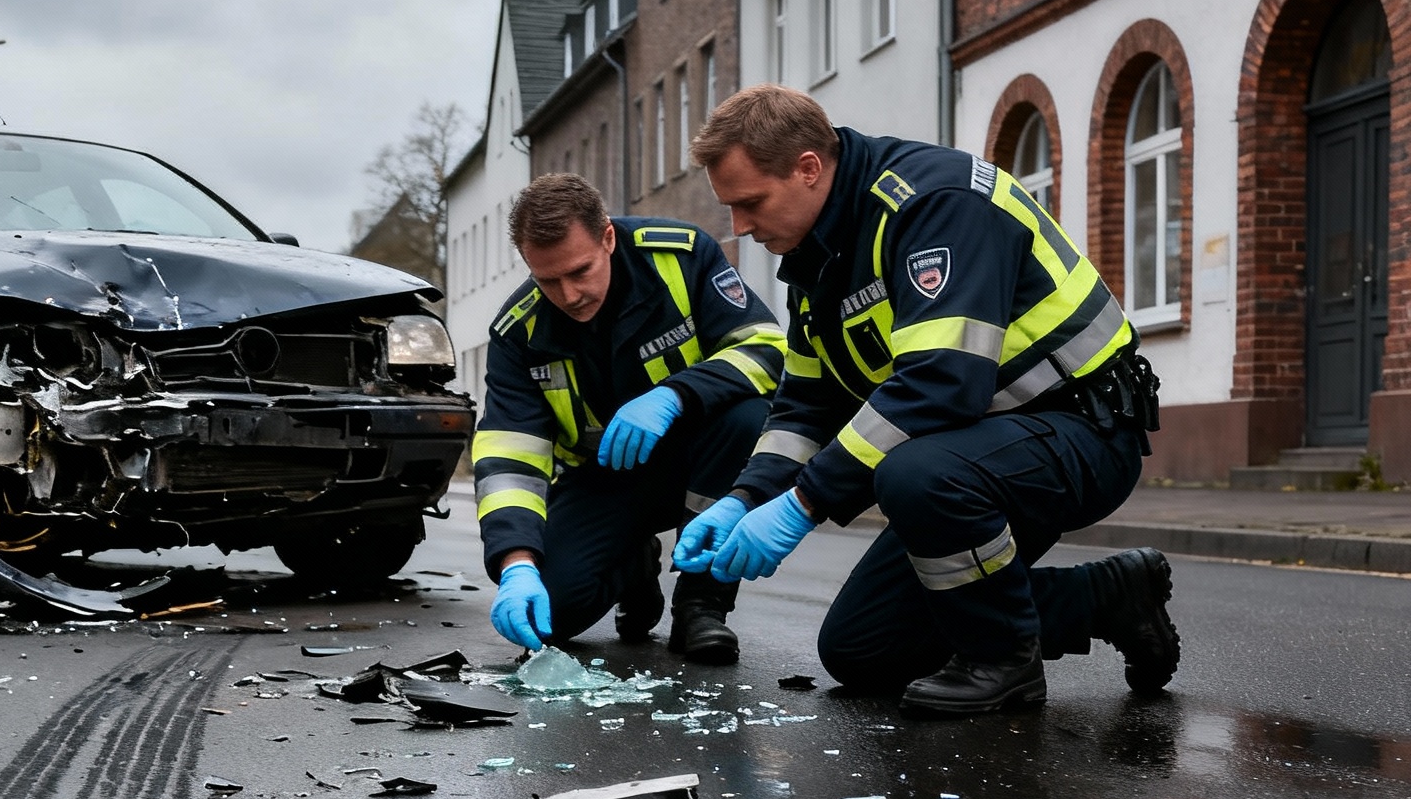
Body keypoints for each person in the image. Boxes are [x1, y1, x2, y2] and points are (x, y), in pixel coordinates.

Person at [672, 85, 1180, 715]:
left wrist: (803, 503)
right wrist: (746, 498)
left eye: (750, 203)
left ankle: (1004, 662)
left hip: (1082, 431)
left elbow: (942, 383)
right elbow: (804, 406)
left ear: (808, 168)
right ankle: (1108, 596)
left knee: (914, 472)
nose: (740, 228)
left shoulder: (936, 203)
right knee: (862, 650)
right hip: (976, 456)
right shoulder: (820, 256)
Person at [474, 171, 787, 662]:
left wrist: (676, 395)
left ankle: (701, 604)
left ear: (608, 238)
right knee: (550, 618)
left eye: (580, 272)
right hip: (605, 479)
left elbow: (764, 349)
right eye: (548, 280)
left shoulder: (681, 258)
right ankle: (634, 565)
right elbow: (509, 457)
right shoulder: (518, 331)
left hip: (698, 458)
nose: (569, 295)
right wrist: (517, 564)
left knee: (746, 417)